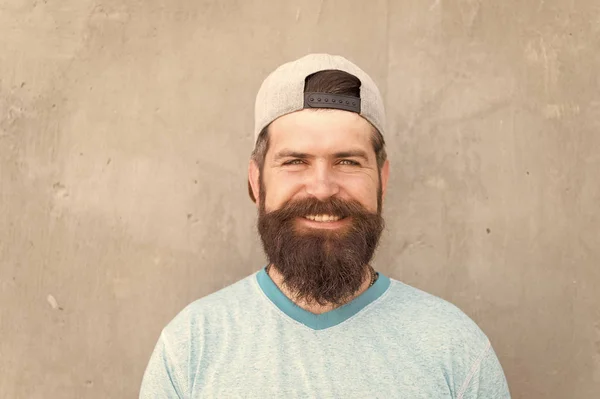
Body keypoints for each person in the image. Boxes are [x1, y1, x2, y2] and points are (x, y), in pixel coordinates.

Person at [139, 53, 511, 398]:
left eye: (347, 162)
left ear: (382, 178)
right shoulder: (190, 348)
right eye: (295, 161)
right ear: (256, 180)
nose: (322, 188)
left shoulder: (456, 348)